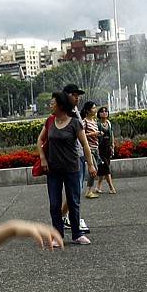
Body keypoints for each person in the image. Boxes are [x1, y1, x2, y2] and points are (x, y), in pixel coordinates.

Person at [37, 91, 96, 245]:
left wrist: (90, 164)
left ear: (61, 105)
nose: (50, 106)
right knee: (55, 204)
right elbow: (40, 140)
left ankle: (77, 233)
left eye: (52, 103)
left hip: (72, 168)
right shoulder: (49, 121)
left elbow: (84, 144)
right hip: (53, 170)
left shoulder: (74, 122)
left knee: (73, 201)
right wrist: (43, 158)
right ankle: (58, 235)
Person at [61, 84, 90, 234]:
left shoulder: (75, 111)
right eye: (74, 95)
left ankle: (64, 216)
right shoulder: (64, 113)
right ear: (66, 96)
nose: (77, 98)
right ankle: (72, 219)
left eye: (78, 95)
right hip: (73, 158)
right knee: (75, 191)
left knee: (77, 190)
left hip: (79, 155)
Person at [80, 101, 101, 198]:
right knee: (94, 169)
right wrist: (93, 134)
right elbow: (82, 135)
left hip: (96, 147)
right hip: (89, 148)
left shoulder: (94, 121)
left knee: (95, 169)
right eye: (93, 108)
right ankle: (88, 191)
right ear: (87, 110)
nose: (95, 110)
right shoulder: (84, 122)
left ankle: (90, 190)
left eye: (95, 108)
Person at [96, 106, 116, 193]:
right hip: (100, 148)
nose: (104, 113)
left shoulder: (109, 123)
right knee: (106, 167)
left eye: (106, 111)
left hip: (108, 147)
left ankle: (98, 187)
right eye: (102, 111)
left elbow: (111, 134)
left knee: (103, 168)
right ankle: (111, 187)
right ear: (99, 114)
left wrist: (112, 146)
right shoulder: (97, 124)